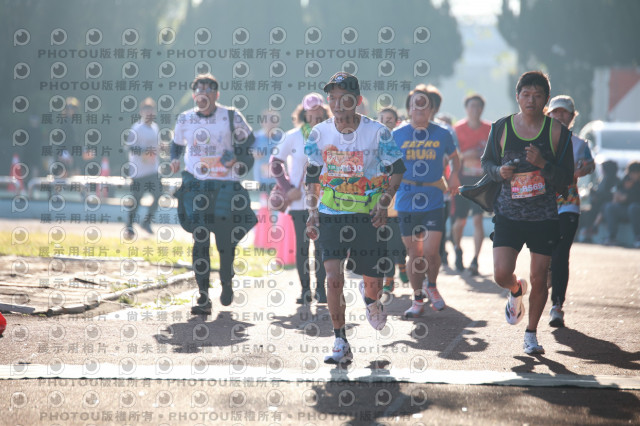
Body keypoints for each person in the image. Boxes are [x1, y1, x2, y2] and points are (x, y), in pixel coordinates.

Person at [305, 72, 405, 364]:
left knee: (373, 283)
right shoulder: (319, 133)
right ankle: (340, 340)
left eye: (344, 98)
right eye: (332, 98)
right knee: (333, 279)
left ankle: (371, 299)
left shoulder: (377, 132)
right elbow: (312, 175)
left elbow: (397, 169)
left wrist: (384, 202)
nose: (337, 104)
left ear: (358, 100)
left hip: (368, 216)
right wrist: (312, 212)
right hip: (330, 215)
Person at [481, 71, 574, 354]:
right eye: (526, 94)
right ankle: (515, 289)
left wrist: (543, 164)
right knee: (501, 274)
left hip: (544, 217)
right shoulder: (502, 128)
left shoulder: (557, 132)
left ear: (546, 99)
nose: (531, 100)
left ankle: (531, 334)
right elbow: (487, 163)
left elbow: (566, 177)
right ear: (517, 96)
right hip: (508, 215)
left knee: (539, 277)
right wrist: (499, 171)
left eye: (537, 95)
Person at [171, 73, 257, 315]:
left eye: (208, 91)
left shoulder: (231, 116)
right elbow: (176, 144)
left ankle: (226, 282)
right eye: (199, 90)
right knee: (200, 238)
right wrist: (174, 159)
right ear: (194, 95)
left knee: (224, 241)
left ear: (216, 95)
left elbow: (249, 143)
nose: (203, 95)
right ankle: (203, 294)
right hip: (196, 184)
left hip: (225, 185)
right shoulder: (185, 118)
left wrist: (237, 159)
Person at [395, 85, 461, 319]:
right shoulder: (397, 134)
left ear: (432, 109)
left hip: (433, 198)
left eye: (425, 105)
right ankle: (417, 299)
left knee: (431, 251)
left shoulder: (442, 133)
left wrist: (454, 175)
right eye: (416, 105)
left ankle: (431, 285)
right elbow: (385, 164)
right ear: (409, 109)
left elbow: (454, 158)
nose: (420, 109)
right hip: (406, 199)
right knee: (414, 253)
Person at [270, 93, 329, 304]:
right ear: (304, 112)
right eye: (310, 110)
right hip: (299, 200)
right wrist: (288, 188)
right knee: (303, 246)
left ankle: (321, 290)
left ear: (324, 111)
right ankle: (305, 290)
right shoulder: (293, 136)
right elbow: (275, 162)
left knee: (321, 246)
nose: (315, 113)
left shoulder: (331, 133)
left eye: (318, 109)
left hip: (325, 200)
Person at [545, 95, 595, 327]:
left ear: (572, 117)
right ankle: (548, 273)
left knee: (561, 252)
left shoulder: (580, 144)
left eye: (564, 112)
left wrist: (583, 169)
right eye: (555, 111)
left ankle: (557, 306)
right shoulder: (540, 141)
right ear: (548, 114)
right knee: (545, 254)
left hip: (569, 203)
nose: (559, 115)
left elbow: (590, 165)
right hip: (542, 204)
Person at [452, 94, 492, 275]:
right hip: (461, 180)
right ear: (466, 109)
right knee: (459, 222)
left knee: (477, 219)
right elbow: (451, 155)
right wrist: (465, 155)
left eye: (478, 106)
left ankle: (475, 260)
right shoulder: (457, 129)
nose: (475, 109)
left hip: (481, 182)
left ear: (482, 109)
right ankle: (457, 248)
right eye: (472, 106)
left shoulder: (490, 129)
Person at [377, 107, 409, 299]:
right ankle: (389, 279)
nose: (386, 122)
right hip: (381, 201)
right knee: (386, 243)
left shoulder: (401, 141)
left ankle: (403, 266)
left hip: (401, 199)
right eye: (382, 119)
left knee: (400, 241)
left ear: (396, 121)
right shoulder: (373, 142)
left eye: (390, 119)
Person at [124, 97, 163, 238]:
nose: (149, 113)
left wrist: (161, 148)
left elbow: (157, 148)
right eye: (146, 110)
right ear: (141, 112)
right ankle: (129, 226)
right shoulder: (137, 128)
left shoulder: (155, 128)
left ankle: (146, 222)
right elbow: (130, 148)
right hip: (138, 172)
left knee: (159, 195)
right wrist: (146, 152)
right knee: (136, 199)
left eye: (151, 110)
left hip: (152, 170)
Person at [602, 161, 640, 247]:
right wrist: (620, 196)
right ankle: (612, 237)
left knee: (633, 207)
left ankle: (638, 238)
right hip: (626, 209)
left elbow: (633, 197)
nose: (632, 175)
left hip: (636, 210)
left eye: (635, 173)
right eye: (631, 173)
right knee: (610, 207)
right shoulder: (627, 179)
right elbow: (618, 191)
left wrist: (627, 197)